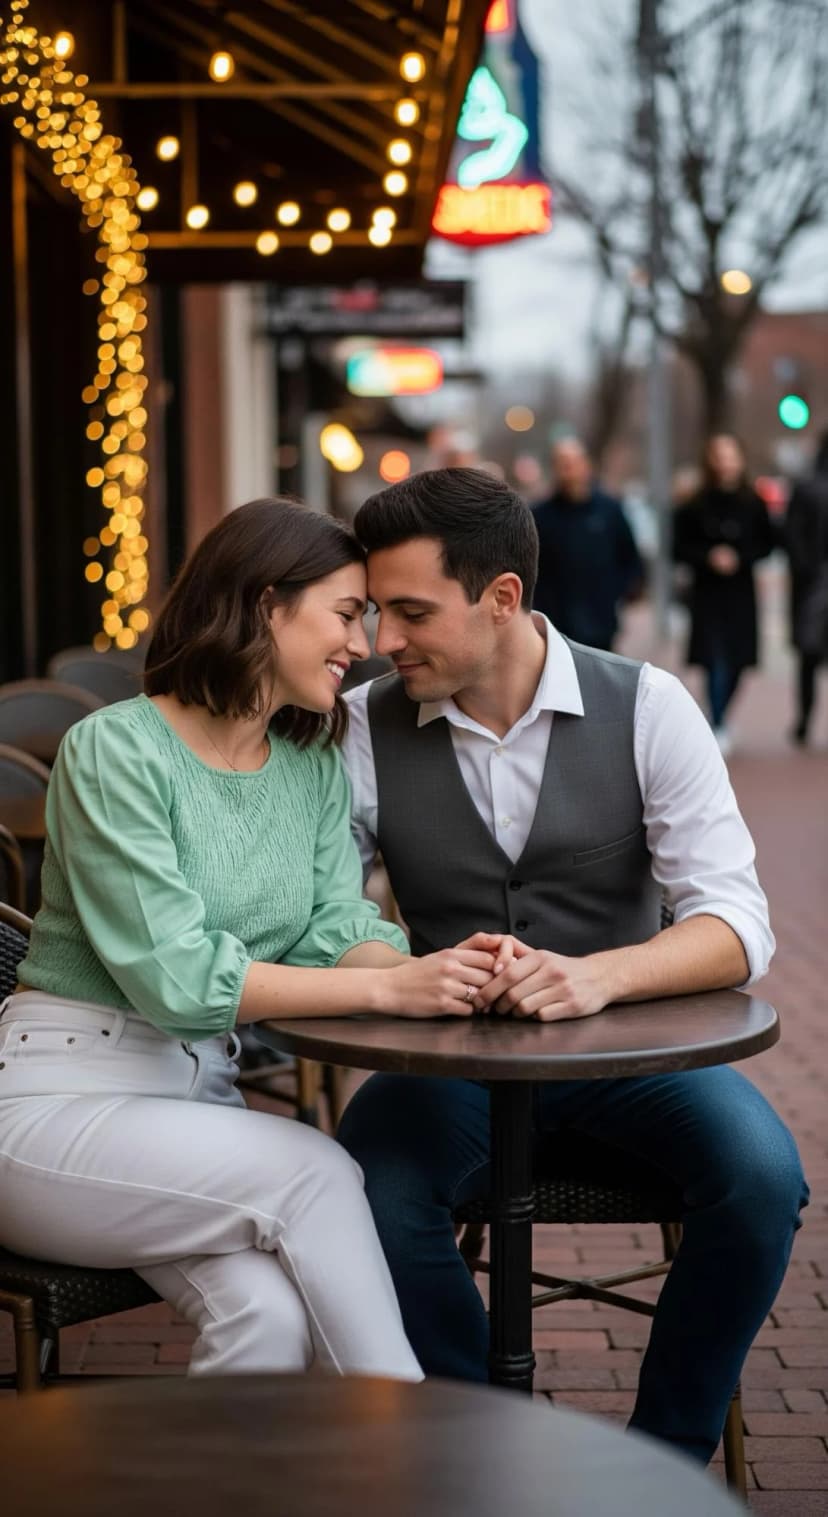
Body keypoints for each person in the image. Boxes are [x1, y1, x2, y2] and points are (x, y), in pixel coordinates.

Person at [336, 466, 807, 1467]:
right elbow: (326, 909)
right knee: (361, 1186)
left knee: (764, 1180)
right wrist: (399, 962)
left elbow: (735, 921)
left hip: (625, 1057)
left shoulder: (648, 706)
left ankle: (666, 1459)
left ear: (502, 597)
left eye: (411, 610)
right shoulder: (362, 726)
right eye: (376, 611)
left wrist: (601, 975)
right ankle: (478, 1440)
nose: (384, 639)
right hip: (448, 1062)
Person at [0, 498, 502, 1381]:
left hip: (194, 1108)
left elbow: (331, 928)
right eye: (347, 614)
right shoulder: (113, 750)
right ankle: (420, 1462)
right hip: (54, 1108)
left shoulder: (308, 761)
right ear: (268, 603)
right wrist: (389, 991)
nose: (363, 643)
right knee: (316, 1171)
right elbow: (181, 980)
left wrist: (433, 972)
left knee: (266, 1317)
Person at [673, 434, 774, 754]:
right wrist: (708, 557)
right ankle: (716, 722)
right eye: (719, 456)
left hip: (741, 593)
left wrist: (740, 559)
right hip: (707, 595)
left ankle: (720, 715)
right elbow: (678, 547)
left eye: (731, 456)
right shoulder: (694, 504)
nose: (726, 463)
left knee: (739, 662)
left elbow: (769, 543)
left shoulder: (753, 503)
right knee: (715, 659)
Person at [531, 436, 644, 650]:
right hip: (557, 622)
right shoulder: (541, 516)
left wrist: (617, 592)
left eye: (573, 462)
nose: (568, 470)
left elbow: (629, 556)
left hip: (601, 618)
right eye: (562, 463)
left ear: (586, 465)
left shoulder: (609, 510)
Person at [784, 430, 828, 744]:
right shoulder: (808, 488)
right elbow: (793, 536)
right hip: (814, 586)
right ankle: (803, 719)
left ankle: (803, 720)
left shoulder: (806, 486)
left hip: (811, 585)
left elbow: (791, 536)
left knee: (808, 658)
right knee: (809, 657)